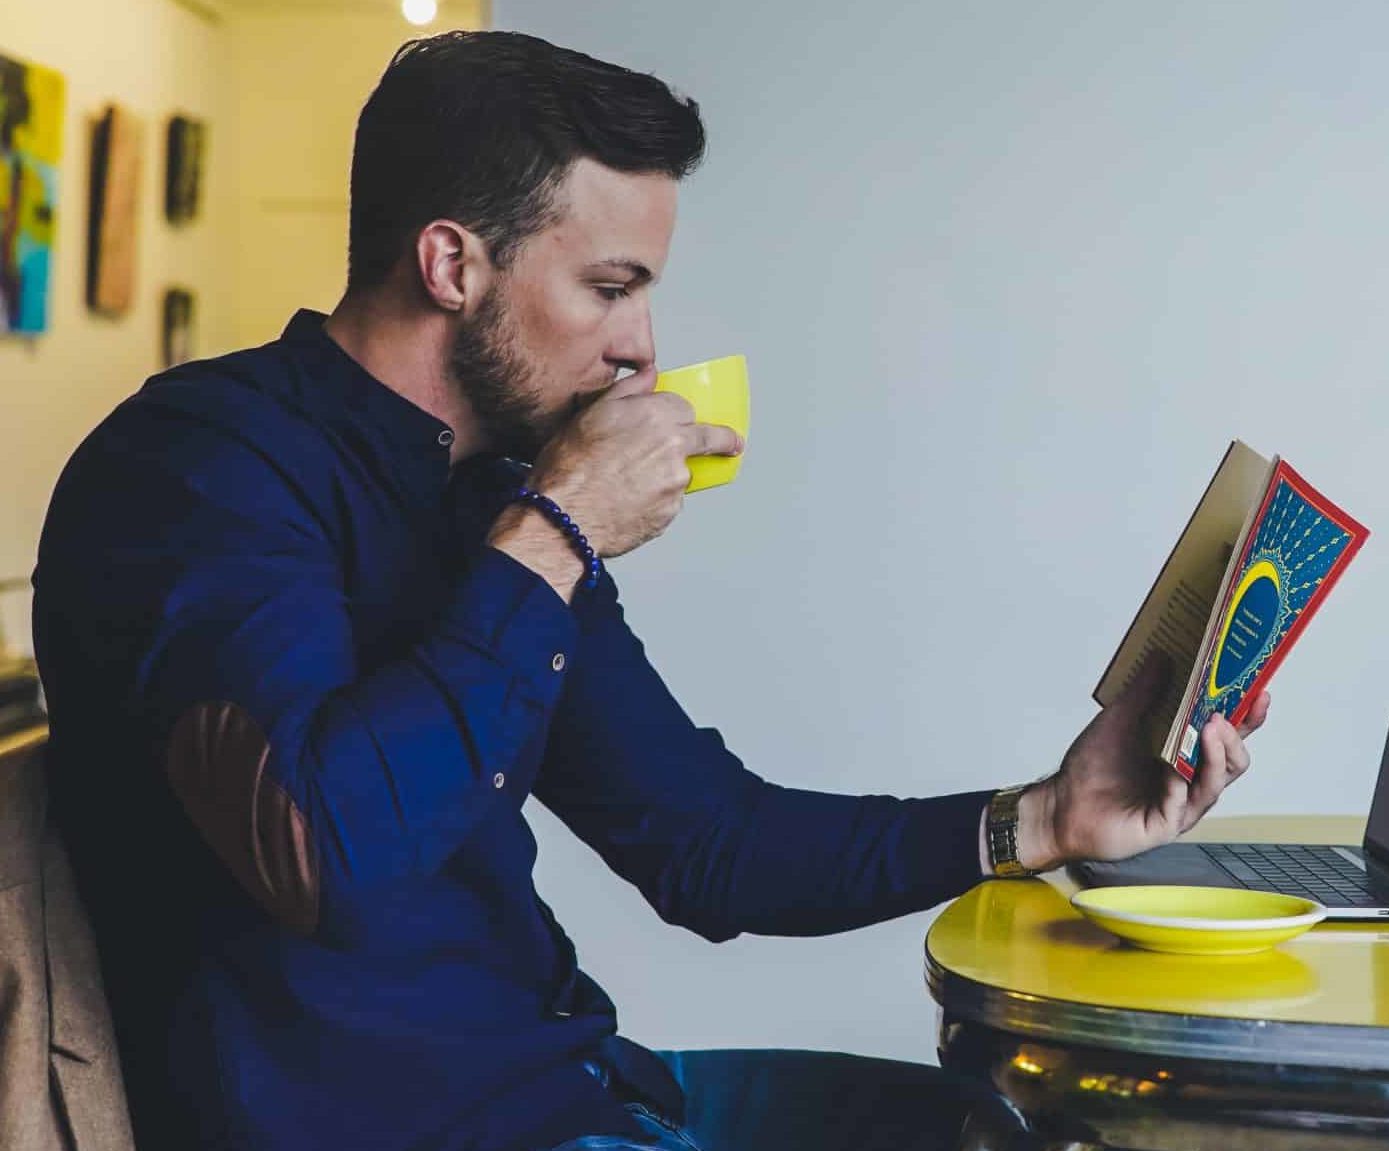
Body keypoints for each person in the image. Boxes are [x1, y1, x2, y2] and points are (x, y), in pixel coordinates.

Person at [30, 30, 1267, 1151]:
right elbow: (323, 849)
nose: (641, 348)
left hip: (580, 1088)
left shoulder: (489, 496)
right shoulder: (199, 469)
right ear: (453, 263)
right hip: (417, 1129)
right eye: (610, 288)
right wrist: (559, 528)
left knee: (1024, 1128)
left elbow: (709, 844)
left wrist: (1047, 816)